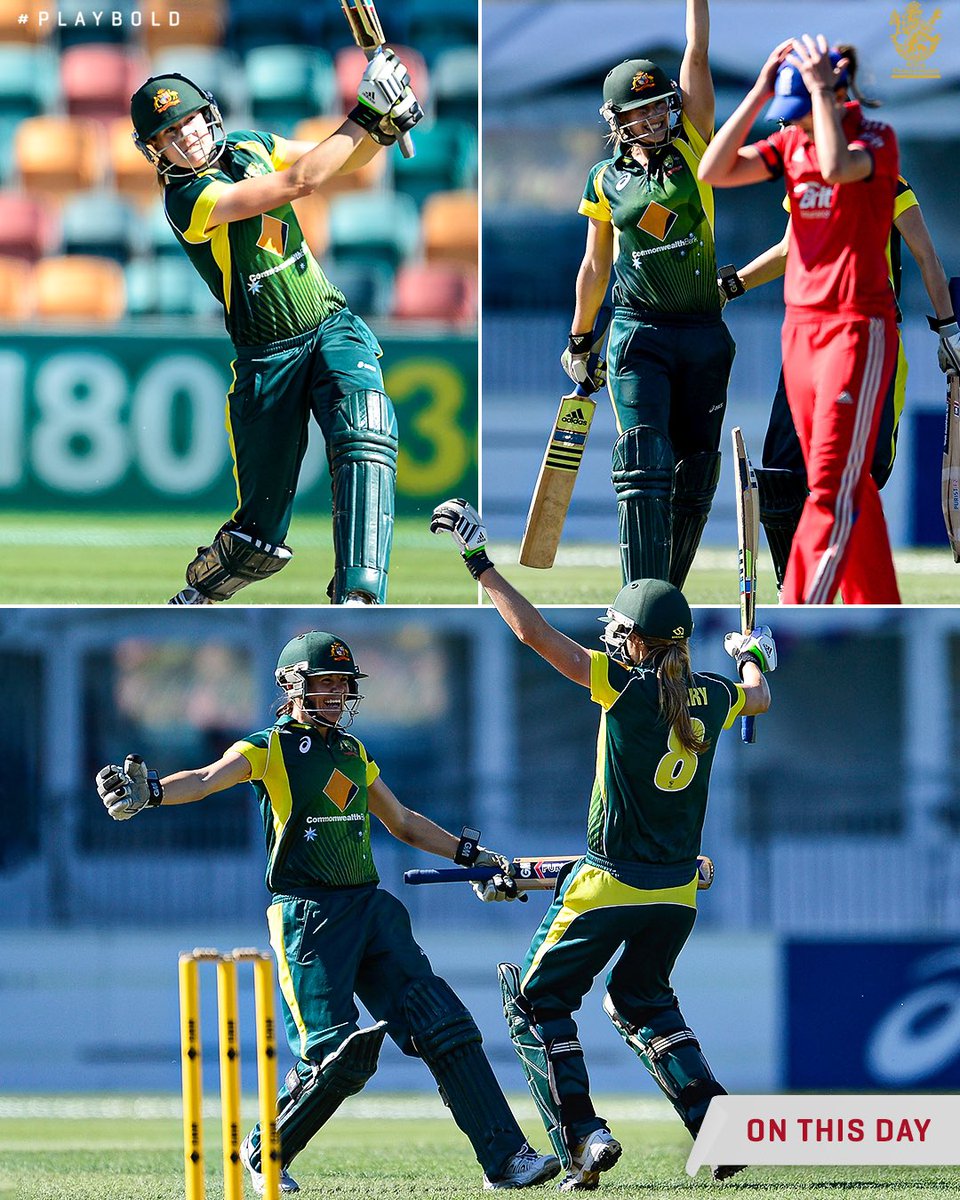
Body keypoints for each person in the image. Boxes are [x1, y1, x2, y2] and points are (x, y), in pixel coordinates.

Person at [95, 630, 561, 1194]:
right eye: (326, 683)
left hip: (370, 910)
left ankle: (506, 1159)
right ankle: (265, 1149)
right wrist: (153, 792)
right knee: (337, 1056)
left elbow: (404, 822)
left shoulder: (353, 752)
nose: (337, 693)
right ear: (293, 686)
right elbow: (205, 779)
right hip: (310, 919)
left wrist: (473, 856)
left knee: (447, 1025)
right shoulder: (268, 747)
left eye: (344, 684)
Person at [431, 498, 775, 1188]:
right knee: (642, 1000)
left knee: (533, 1001)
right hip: (676, 892)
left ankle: (583, 1138)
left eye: (621, 632)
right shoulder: (713, 692)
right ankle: (716, 1128)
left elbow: (531, 634)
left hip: (607, 883)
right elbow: (759, 698)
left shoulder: (620, 686)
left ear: (640, 643)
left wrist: (480, 563)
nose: (613, 640)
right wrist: (753, 656)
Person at [129, 58, 423, 606]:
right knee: (257, 542)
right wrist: (367, 110)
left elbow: (343, 160)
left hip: (330, 323)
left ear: (208, 115)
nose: (184, 137)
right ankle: (202, 593)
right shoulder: (188, 201)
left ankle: (359, 594)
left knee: (367, 428)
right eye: (167, 134)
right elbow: (300, 181)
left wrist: (384, 126)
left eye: (188, 120)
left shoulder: (250, 145)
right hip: (268, 357)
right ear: (156, 151)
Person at [698, 34, 960, 603]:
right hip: (801, 332)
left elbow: (847, 174)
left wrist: (949, 327)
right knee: (818, 480)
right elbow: (714, 169)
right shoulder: (793, 147)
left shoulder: (878, 145)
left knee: (835, 484)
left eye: (804, 115)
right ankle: (880, 604)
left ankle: (799, 604)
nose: (797, 128)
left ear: (835, 97)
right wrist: (762, 90)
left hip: (858, 329)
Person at [562, 0, 734, 590]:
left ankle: (665, 596)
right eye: (640, 112)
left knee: (696, 474)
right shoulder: (603, 178)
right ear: (618, 120)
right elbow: (594, 264)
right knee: (644, 460)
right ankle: (639, 595)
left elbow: (698, 52)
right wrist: (581, 339)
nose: (655, 119)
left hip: (705, 333)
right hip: (639, 335)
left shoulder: (697, 141)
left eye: (660, 106)